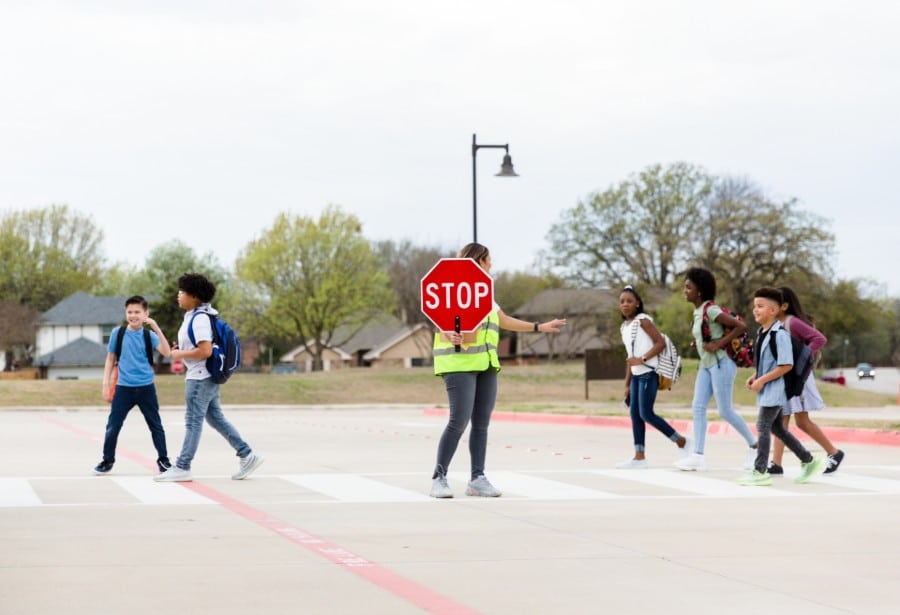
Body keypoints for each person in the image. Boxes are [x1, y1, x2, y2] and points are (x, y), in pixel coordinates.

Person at [430, 243, 567, 498]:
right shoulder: (453, 288)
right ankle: (439, 477)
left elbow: (505, 321)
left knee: (481, 425)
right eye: (488, 260)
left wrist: (540, 327)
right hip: (459, 365)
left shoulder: (485, 294)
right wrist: (450, 334)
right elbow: (440, 322)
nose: (491, 265)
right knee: (458, 421)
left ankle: (477, 479)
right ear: (477, 260)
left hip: (486, 365)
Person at [155, 273, 263, 482]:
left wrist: (178, 354)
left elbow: (205, 351)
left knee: (193, 422)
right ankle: (247, 454)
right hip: (204, 376)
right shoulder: (197, 315)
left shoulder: (200, 319)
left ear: (194, 296)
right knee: (216, 419)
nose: (179, 295)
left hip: (200, 378)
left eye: (182, 292)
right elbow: (201, 348)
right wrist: (184, 350)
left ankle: (183, 466)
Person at [740, 286, 825, 486]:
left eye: (760, 306)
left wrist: (762, 380)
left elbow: (786, 364)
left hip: (777, 389)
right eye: (754, 306)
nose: (755, 310)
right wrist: (755, 376)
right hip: (769, 387)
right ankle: (809, 461)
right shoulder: (762, 332)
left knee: (763, 426)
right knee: (778, 428)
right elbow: (767, 362)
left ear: (773, 310)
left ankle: (760, 471)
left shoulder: (780, 334)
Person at [676, 267, 758, 471]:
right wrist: (701, 342)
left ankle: (756, 446)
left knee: (725, 410)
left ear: (700, 291)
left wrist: (719, 344)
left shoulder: (710, 309)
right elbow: (707, 333)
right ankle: (698, 456)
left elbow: (740, 326)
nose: (685, 290)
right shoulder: (697, 311)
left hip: (722, 363)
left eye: (689, 287)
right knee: (698, 407)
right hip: (707, 364)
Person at [769, 286, 845, 474]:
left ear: (784, 306)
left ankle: (833, 453)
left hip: (798, 378)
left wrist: (803, 358)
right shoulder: (776, 324)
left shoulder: (792, 322)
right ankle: (776, 464)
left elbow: (819, 339)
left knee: (798, 421)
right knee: (784, 420)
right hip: (784, 377)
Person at [94, 296, 172, 475]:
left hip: (146, 387)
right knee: (113, 426)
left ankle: (164, 461)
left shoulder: (149, 335)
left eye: (137, 312)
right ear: (125, 313)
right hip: (123, 388)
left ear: (146, 313)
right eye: (130, 312)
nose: (133, 315)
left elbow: (167, 352)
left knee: (155, 425)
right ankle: (107, 461)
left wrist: (156, 327)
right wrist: (105, 384)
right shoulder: (118, 333)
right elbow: (110, 359)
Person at [615, 285, 688, 468]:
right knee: (635, 415)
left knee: (646, 413)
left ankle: (681, 441)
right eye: (622, 301)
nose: (625, 304)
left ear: (637, 304)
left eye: (629, 301)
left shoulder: (643, 321)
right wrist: (626, 384)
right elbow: (630, 359)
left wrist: (643, 358)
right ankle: (639, 457)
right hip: (636, 376)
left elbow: (660, 343)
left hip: (649, 373)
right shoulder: (624, 327)